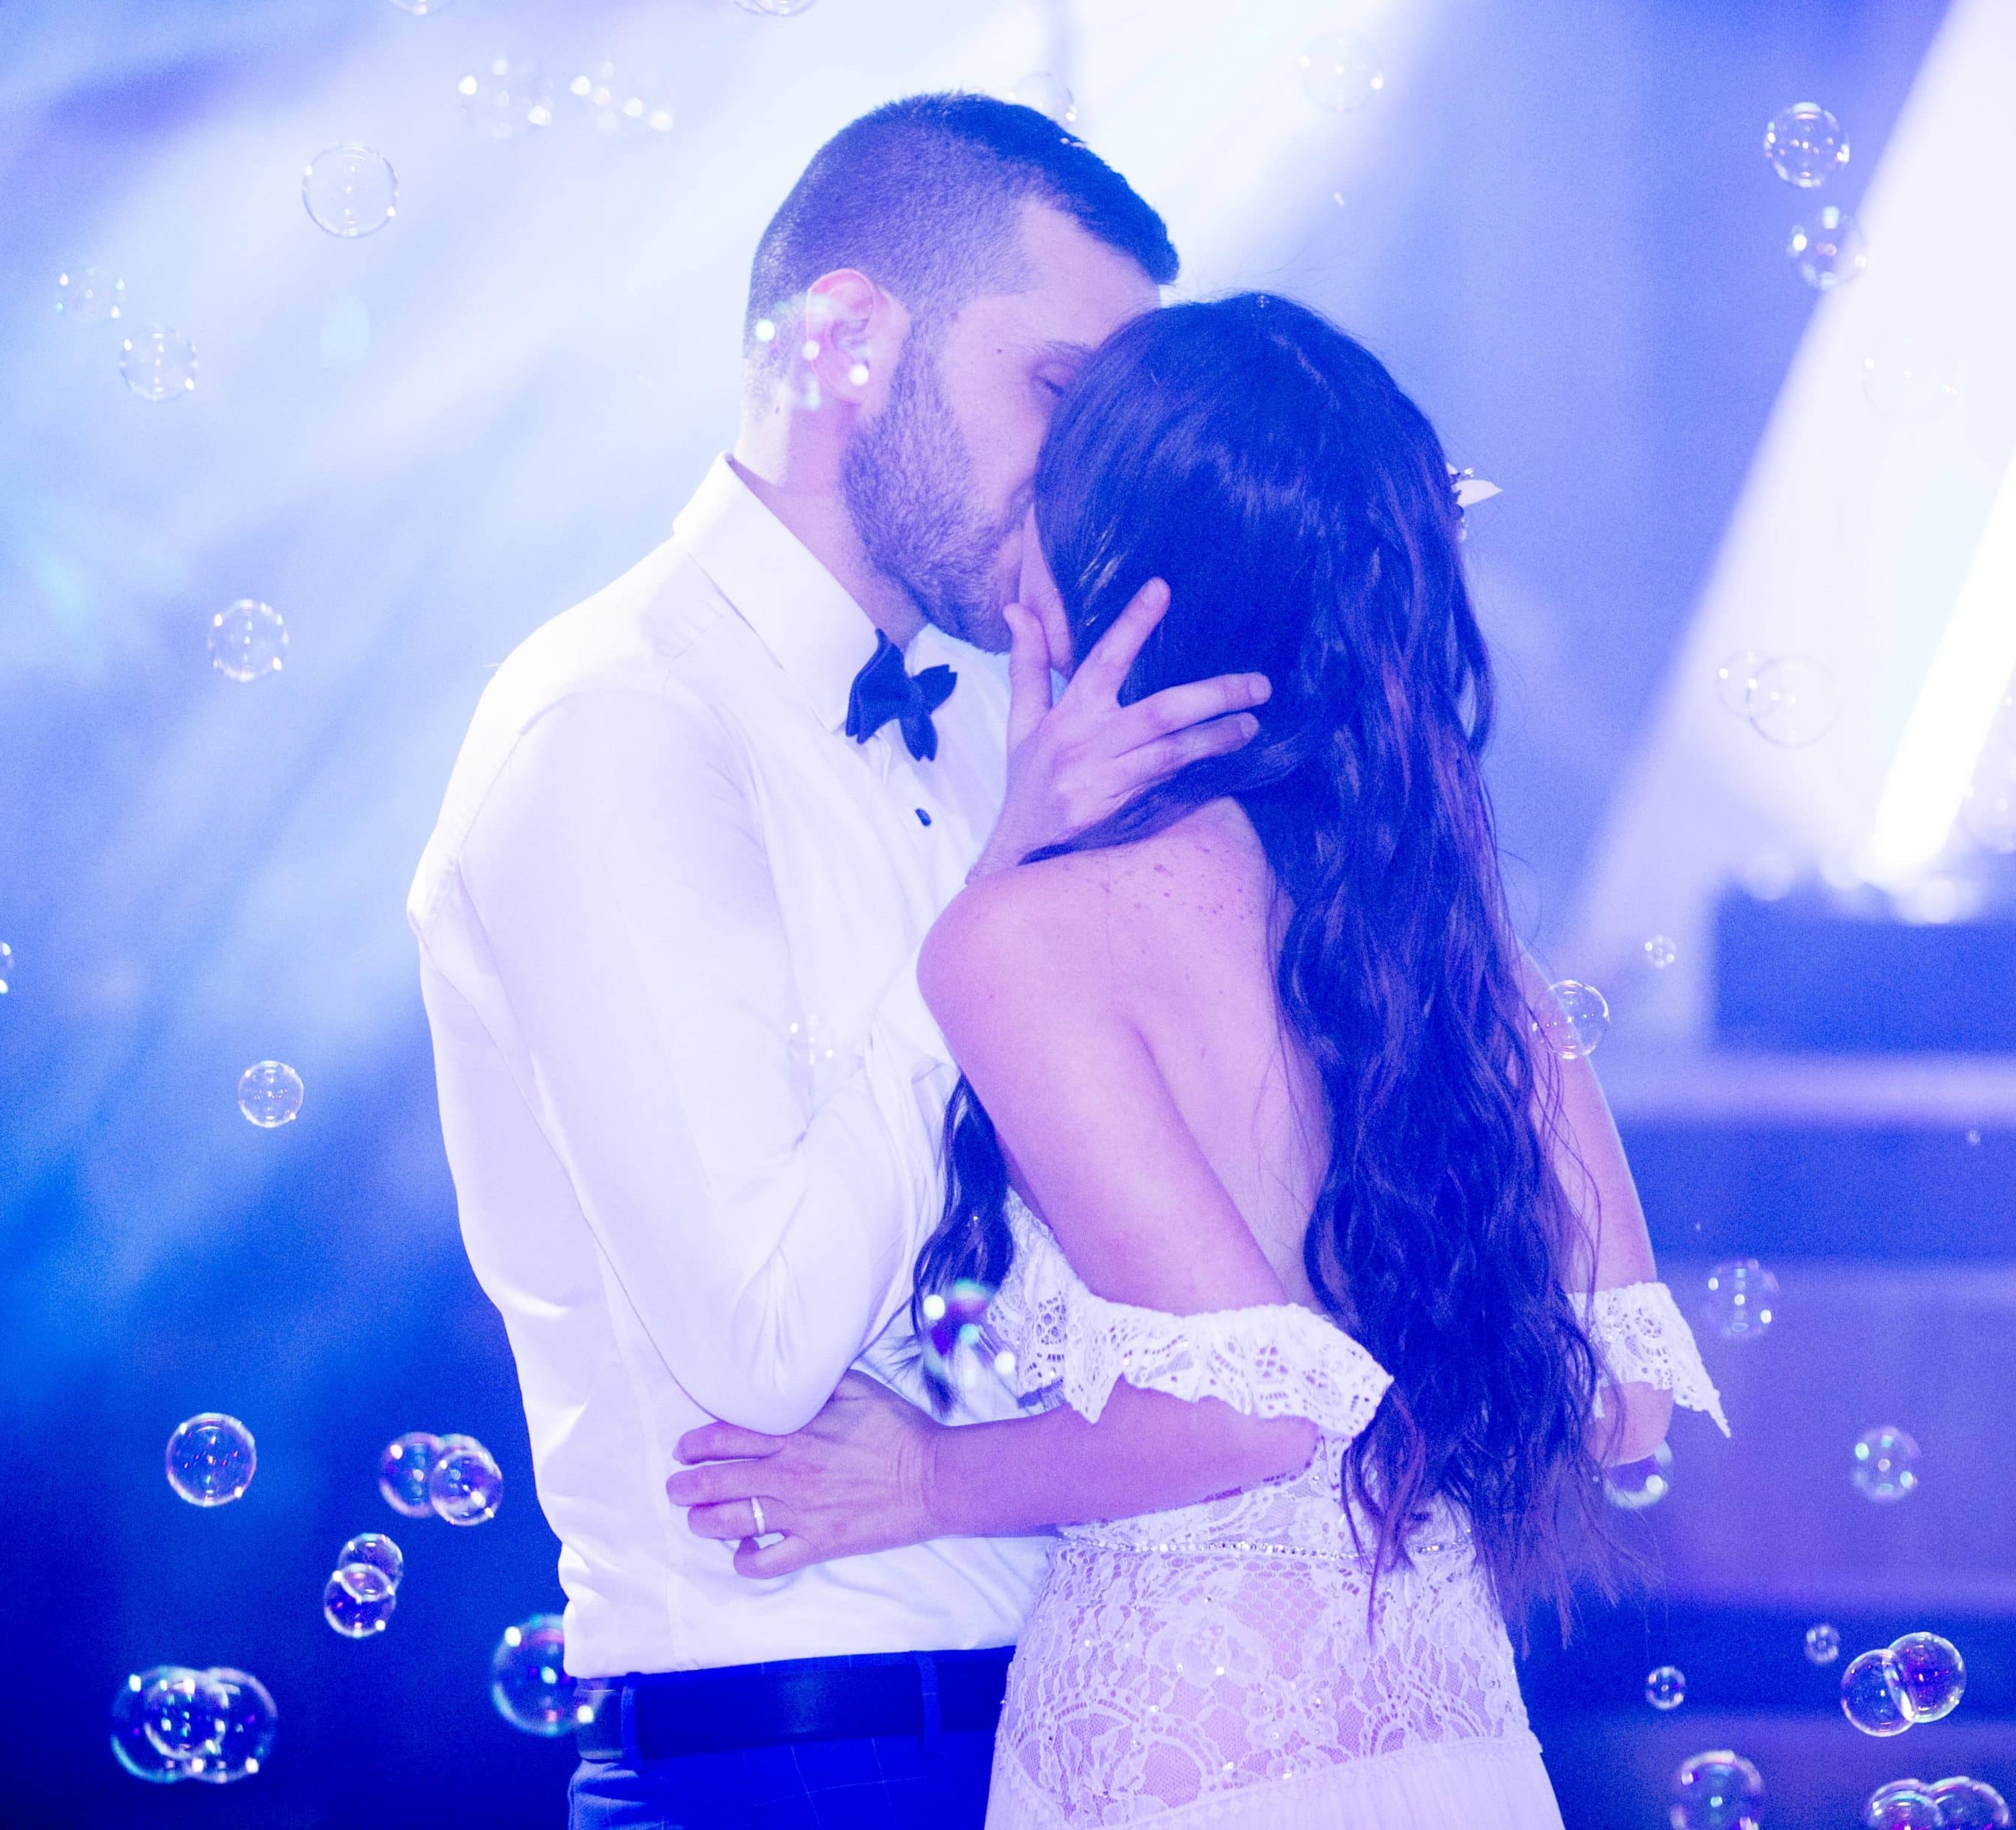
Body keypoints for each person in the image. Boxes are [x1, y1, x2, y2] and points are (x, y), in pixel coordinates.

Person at [667, 294, 1728, 1827]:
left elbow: (1246, 1415)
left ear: (1106, 567)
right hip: (1462, 1749)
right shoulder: (1447, 935)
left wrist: (922, 1479)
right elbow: (1622, 1402)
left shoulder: (1025, 935)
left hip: (1181, 1753)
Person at [407, 96, 1272, 1829]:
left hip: (1102, 1727)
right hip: (805, 1754)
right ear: (845, 341)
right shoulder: (619, 722)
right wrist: (1009, 895)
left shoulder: (1005, 734)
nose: (1091, 480)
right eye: (1057, 394)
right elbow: (763, 1338)